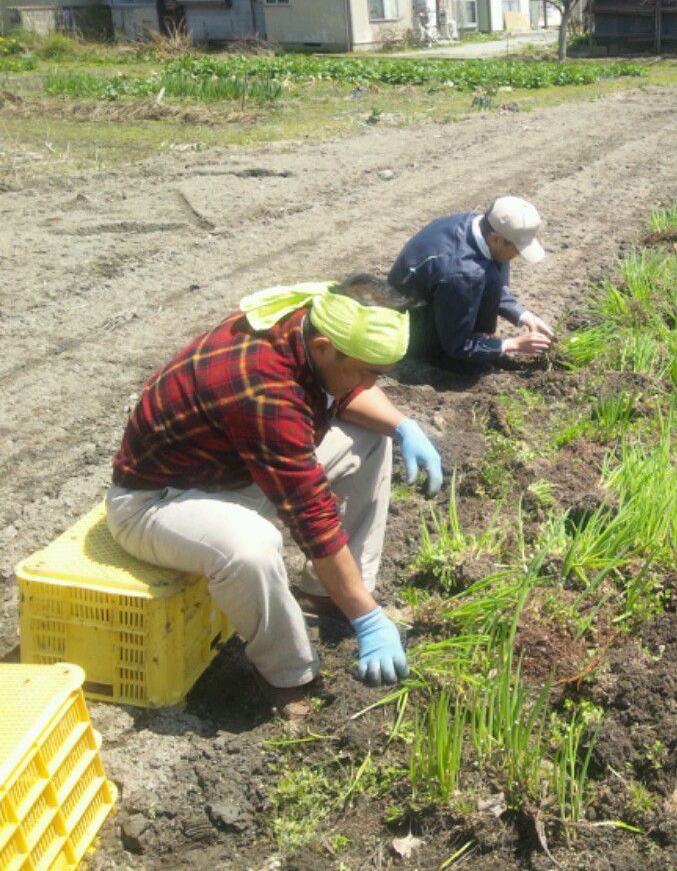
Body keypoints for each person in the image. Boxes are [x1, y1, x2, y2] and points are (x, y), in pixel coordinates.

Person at [105, 275, 444, 721]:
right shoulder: (263, 389)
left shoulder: (305, 323)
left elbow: (343, 394)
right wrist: (369, 618)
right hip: (156, 503)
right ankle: (288, 675)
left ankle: (330, 595)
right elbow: (312, 520)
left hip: (233, 473)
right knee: (251, 547)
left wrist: (402, 425)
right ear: (324, 347)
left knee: (371, 432)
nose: (368, 384)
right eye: (364, 371)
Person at [388, 196, 554, 373]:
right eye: (516, 250)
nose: (518, 255)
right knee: (468, 363)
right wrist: (512, 344)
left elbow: (494, 279)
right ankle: (439, 355)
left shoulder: (477, 225)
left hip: (441, 291)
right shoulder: (461, 273)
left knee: (490, 271)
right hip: (409, 320)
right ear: (496, 239)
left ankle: (481, 341)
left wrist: (523, 315)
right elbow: (457, 345)